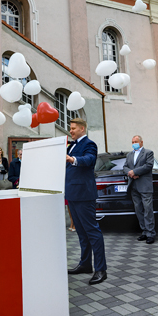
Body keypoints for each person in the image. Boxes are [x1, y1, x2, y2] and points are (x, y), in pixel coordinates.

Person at [65, 118, 107, 285]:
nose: (71, 131)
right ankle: (85, 264)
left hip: (84, 194)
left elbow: (88, 159)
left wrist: (72, 159)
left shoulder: (89, 144)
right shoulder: (70, 146)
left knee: (92, 232)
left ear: (82, 129)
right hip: (72, 194)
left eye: (73, 128)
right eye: (70, 128)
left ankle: (101, 269)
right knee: (81, 233)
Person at [125, 135, 155, 243]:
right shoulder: (129, 155)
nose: (134, 143)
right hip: (134, 186)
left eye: (136, 141)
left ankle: (151, 233)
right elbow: (125, 167)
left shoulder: (148, 153)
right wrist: (130, 173)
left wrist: (135, 172)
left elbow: (148, 166)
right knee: (138, 210)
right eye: (132, 142)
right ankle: (144, 232)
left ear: (141, 142)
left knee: (148, 210)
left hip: (145, 186)